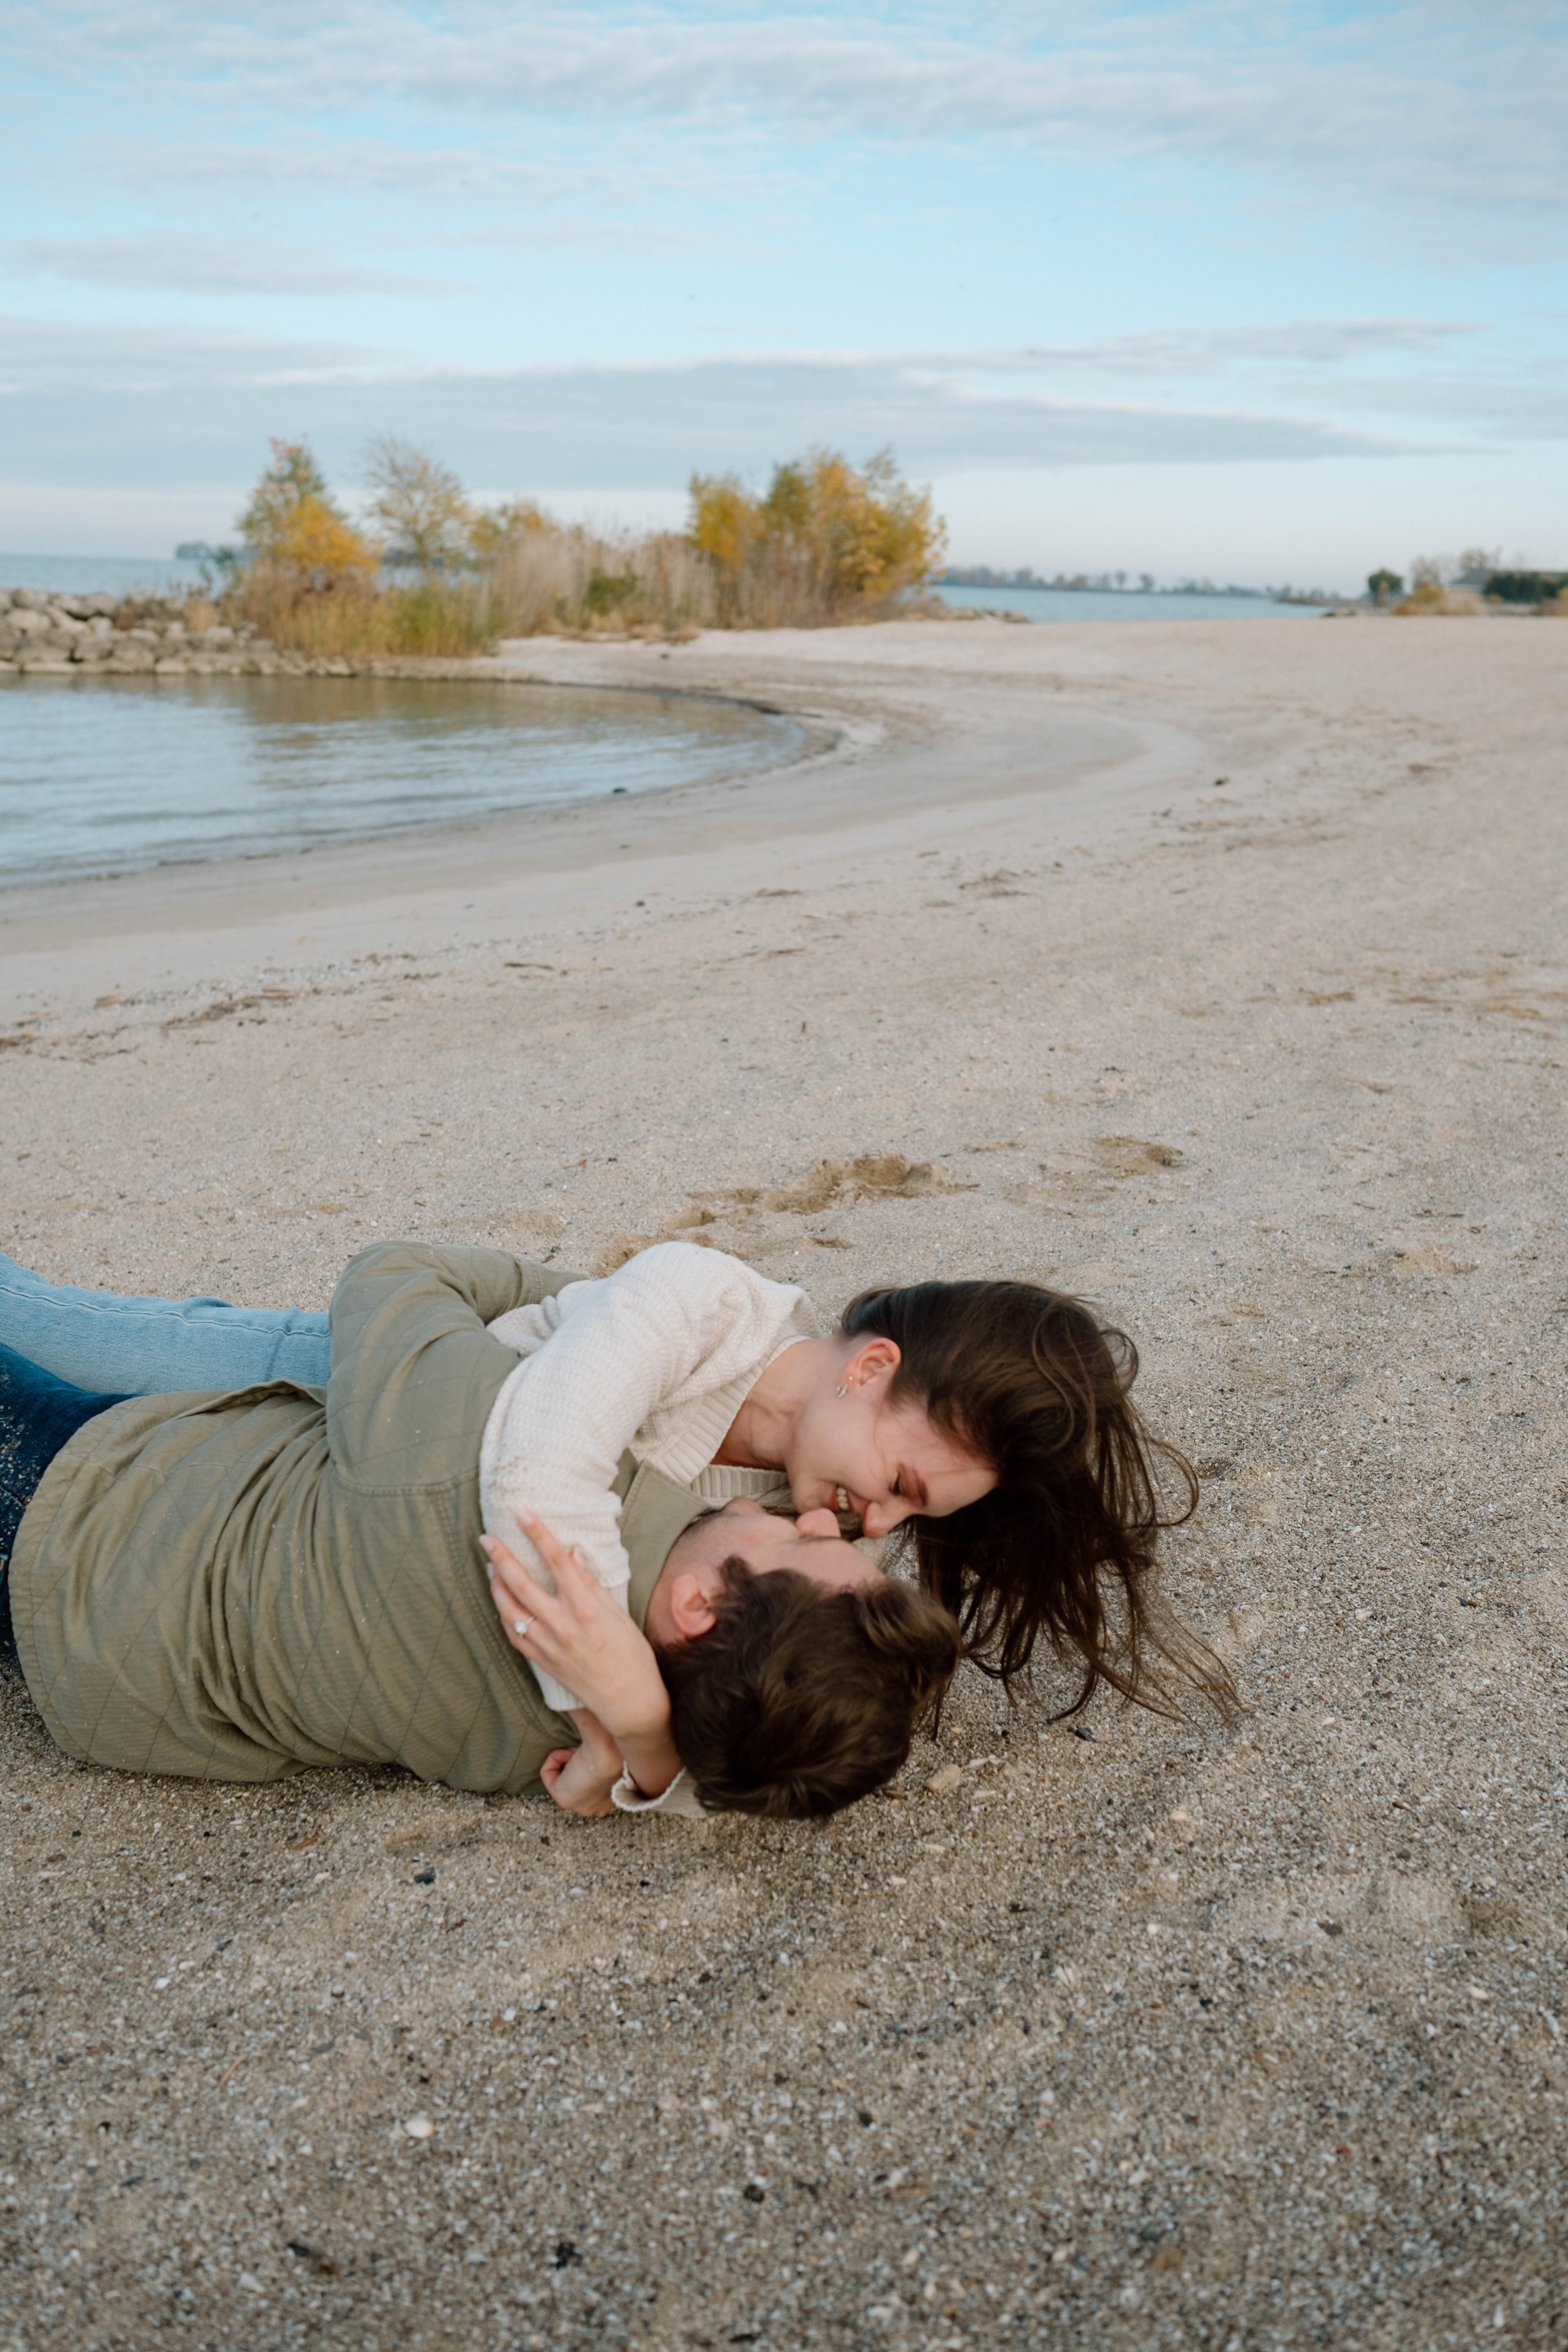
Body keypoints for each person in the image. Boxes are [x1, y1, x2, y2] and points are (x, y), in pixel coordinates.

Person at [1, 1235, 1231, 1804]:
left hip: (376, 1465)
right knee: (62, 1325)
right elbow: (540, 1499)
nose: (864, 1530)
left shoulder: (786, 1518)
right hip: (379, 1388)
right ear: (866, 1369)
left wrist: (646, 1734)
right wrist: (611, 1705)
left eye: (907, 1521)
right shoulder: (695, 1306)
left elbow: (744, 1688)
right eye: (900, 1488)